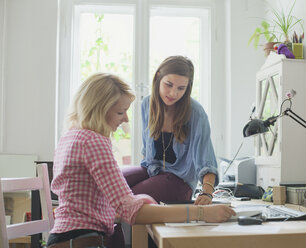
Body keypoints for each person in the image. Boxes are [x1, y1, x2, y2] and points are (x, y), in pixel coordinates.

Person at [47, 73, 234, 248]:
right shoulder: (94, 142)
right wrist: (201, 213)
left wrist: (138, 198)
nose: (126, 119)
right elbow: (131, 212)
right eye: (121, 112)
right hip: (83, 239)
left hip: (66, 236)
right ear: (100, 110)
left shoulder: (71, 136)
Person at [122, 56, 218, 205]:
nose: (173, 93)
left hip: (179, 181)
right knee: (113, 183)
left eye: (181, 88)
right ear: (158, 77)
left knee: (129, 198)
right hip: (152, 171)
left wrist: (207, 193)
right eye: (169, 85)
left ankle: (117, 229)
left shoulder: (196, 113)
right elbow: (146, 151)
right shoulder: (147, 104)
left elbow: (207, 162)